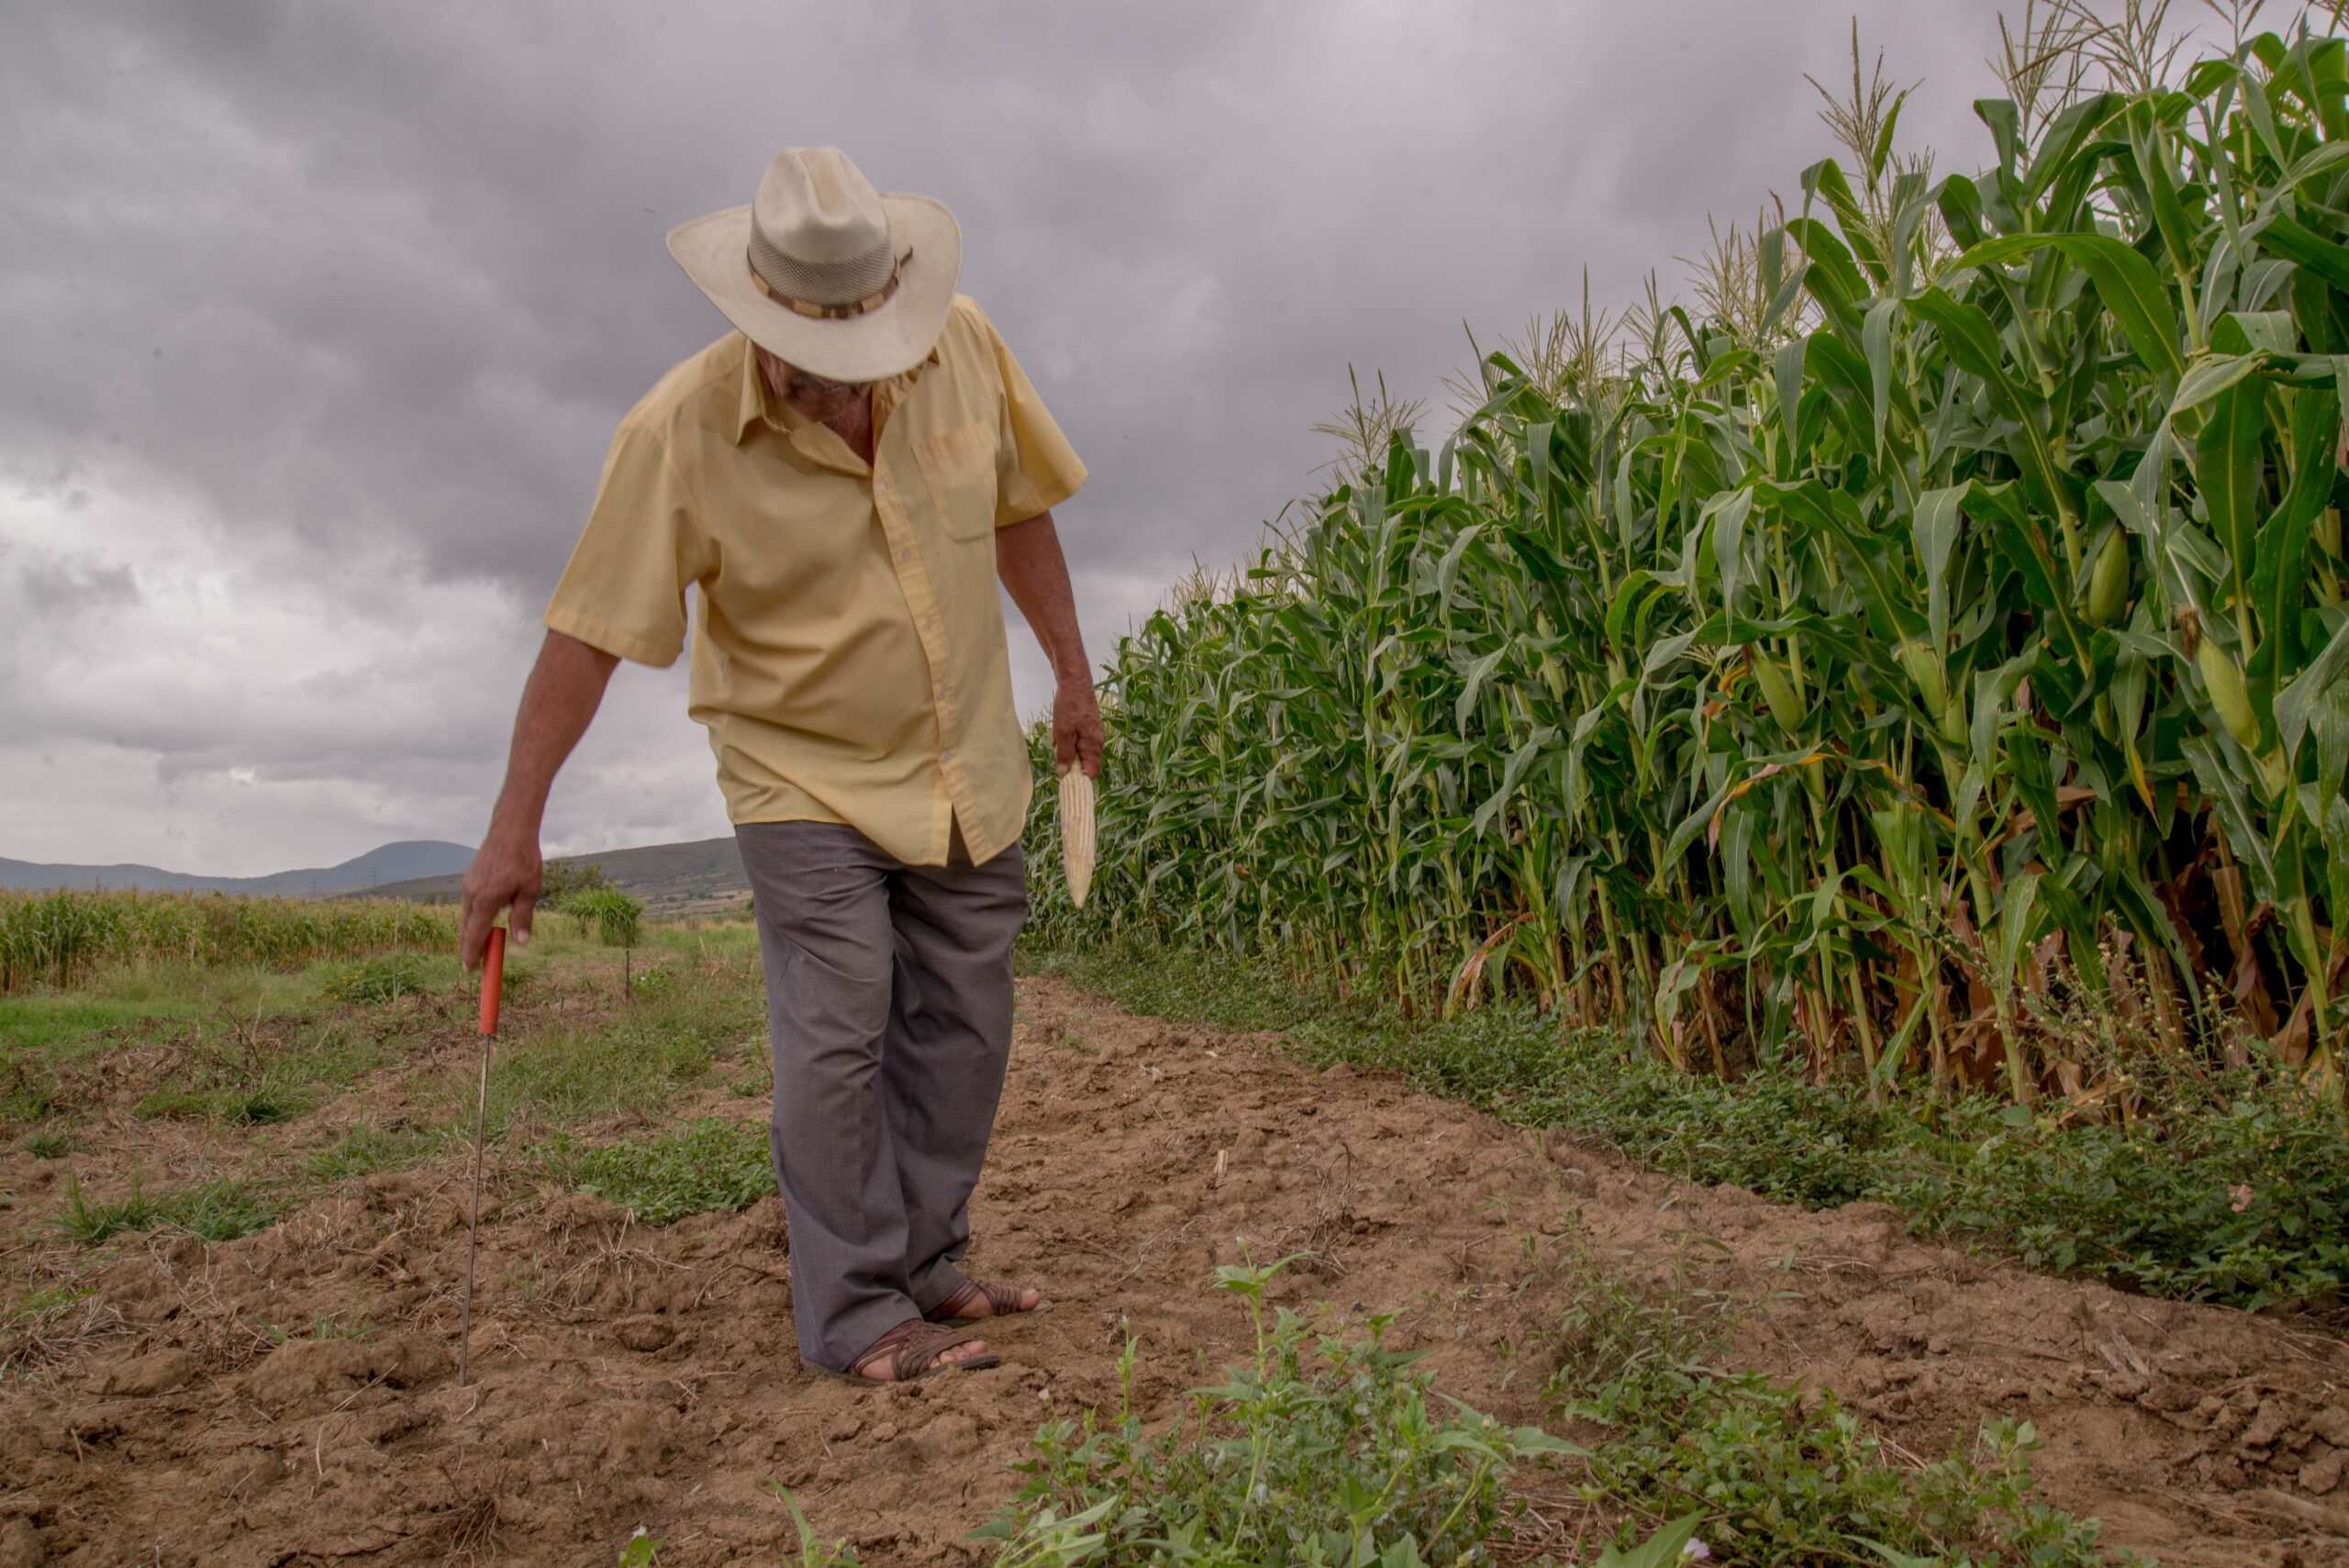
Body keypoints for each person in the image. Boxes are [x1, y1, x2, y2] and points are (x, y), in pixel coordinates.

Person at [459, 147, 1100, 1385]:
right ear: (759, 319)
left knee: (967, 1023)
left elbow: (1023, 509)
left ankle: (926, 1262)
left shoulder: (964, 348)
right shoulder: (677, 433)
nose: (842, 385)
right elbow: (587, 635)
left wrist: (1070, 673)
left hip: (965, 753)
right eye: (815, 365)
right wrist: (512, 827)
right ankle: (857, 1310)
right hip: (798, 776)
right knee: (841, 1022)